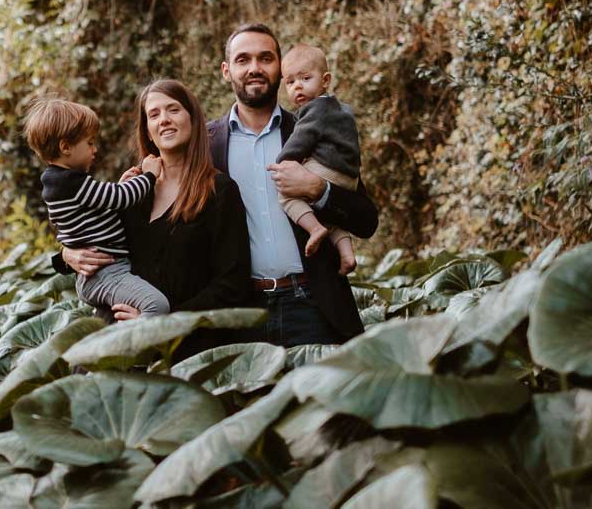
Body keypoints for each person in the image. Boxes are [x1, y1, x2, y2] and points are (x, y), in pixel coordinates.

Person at [53, 80, 252, 355]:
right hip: (114, 343)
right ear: (146, 129)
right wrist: (65, 255)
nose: (164, 120)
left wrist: (161, 322)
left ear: (192, 119)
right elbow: (88, 232)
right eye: (154, 114)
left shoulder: (218, 190)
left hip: (182, 348)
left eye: (173, 110)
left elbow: (232, 284)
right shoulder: (132, 188)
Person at [211, 23, 377, 345]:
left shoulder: (312, 127)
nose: (255, 68)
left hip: (314, 305)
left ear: (280, 68)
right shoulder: (206, 145)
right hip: (242, 314)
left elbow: (367, 219)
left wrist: (319, 190)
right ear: (226, 70)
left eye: (266, 58)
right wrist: (81, 247)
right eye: (243, 60)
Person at [24, 95, 172, 318]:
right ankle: (136, 336)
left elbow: (103, 205)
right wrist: (149, 175)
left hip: (101, 274)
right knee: (157, 307)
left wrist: (123, 186)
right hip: (106, 273)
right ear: (65, 147)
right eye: (89, 143)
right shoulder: (71, 182)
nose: (95, 150)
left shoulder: (60, 184)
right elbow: (120, 198)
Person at [275, 43, 360, 273]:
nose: (298, 87)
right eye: (291, 82)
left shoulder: (315, 110)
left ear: (325, 80)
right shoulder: (340, 109)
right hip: (348, 176)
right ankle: (347, 254)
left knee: (285, 194)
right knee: (331, 219)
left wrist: (285, 161)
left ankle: (314, 229)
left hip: (327, 169)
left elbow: (300, 140)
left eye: (305, 78)